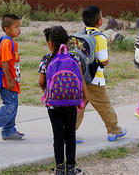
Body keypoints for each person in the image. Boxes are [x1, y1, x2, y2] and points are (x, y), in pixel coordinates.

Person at [38, 26, 88, 175]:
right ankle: (71, 168)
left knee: (58, 135)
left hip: (53, 104)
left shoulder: (46, 59)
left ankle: (59, 168)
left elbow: (41, 81)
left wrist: (48, 89)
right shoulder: (75, 58)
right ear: (67, 42)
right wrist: (85, 95)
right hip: (72, 102)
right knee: (70, 135)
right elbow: (80, 78)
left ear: (50, 44)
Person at [74, 5, 127, 142]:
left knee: (79, 106)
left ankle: (69, 132)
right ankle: (114, 130)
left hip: (80, 78)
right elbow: (103, 61)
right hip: (94, 79)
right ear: (99, 21)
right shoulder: (100, 38)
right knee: (104, 105)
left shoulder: (80, 34)